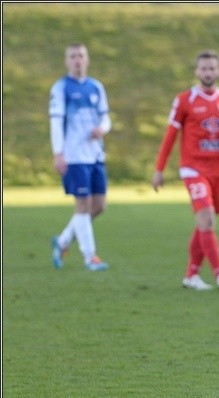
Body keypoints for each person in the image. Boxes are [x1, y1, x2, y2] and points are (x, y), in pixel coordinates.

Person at [151, 49, 219, 291]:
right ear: (196, 71)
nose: (208, 72)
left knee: (205, 222)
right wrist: (159, 169)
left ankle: (191, 275)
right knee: (207, 218)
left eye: (211, 68)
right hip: (193, 168)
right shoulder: (184, 100)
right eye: (203, 68)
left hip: (216, 170)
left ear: (218, 71)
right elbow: (170, 136)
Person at [49, 43, 111, 271]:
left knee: (99, 206)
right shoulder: (61, 88)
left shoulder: (96, 87)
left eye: (81, 56)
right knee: (82, 205)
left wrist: (102, 129)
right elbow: (56, 122)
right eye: (73, 56)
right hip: (74, 156)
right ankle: (90, 257)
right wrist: (58, 153)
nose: (77, 60)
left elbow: (106, 118)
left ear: (87, 59)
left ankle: (63, 241)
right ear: (67, 61)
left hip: (95, 155)